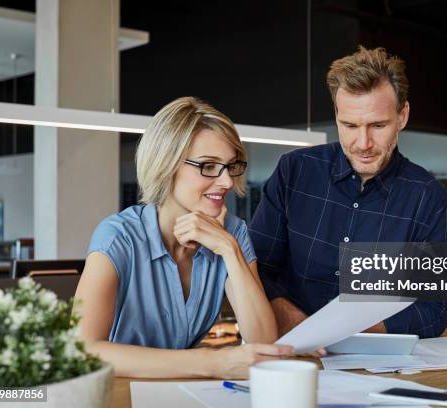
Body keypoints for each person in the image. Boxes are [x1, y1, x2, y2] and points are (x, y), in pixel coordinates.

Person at [74, 97, 291, 379]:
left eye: (230, 166)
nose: (226, 181)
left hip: (180, 391)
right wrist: (212, 363)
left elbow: (263, 342)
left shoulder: (233, 232)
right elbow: (82, 350)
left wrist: (228, 248)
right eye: (209, 166)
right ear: (167, 165)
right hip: (117, 392)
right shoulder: (119, 236)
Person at [249, 46, 447, 339]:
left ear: (403, 116)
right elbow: (256, 268)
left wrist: (342, 332)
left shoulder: (427, 197)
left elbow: (434, 311)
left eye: (378, 125)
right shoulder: (294, 171)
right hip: (288, 354)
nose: (363, 142)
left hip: (375, 365)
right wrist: (295, 322)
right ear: (336, 116)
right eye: (349, 125)